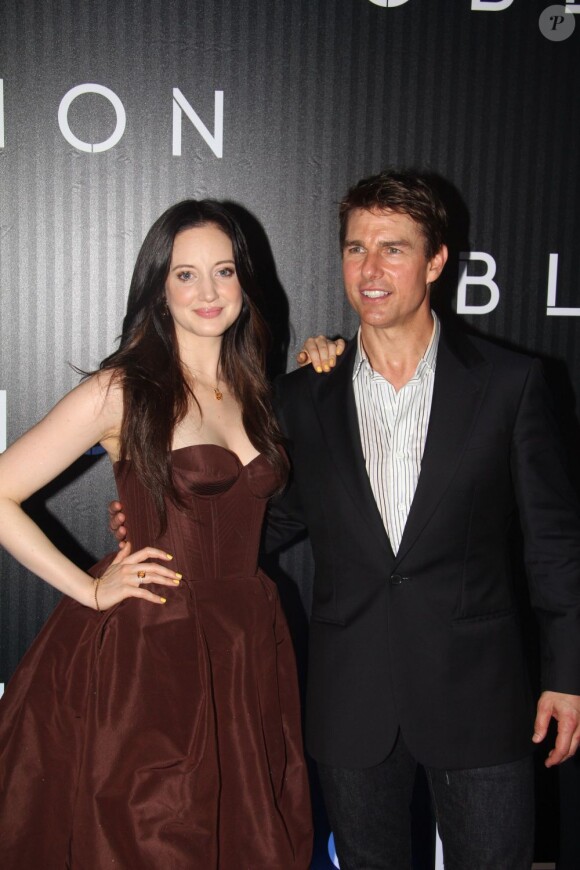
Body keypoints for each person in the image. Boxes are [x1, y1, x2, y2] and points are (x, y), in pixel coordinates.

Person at [111, 171, 580, 870]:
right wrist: (166, 526)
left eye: (394, 249)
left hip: (479, 698)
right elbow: (264, 523)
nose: (371, 268)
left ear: (437, 261)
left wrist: (567, 673)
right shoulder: (301, 398)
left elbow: (554, 544)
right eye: (356, 249)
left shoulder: (512, 386)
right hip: (349, 699)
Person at [0, 200, 312, 869]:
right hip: (154, 653)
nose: (208, 292)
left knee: (245, 834)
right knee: (153, 837)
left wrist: (329, 356)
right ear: (158, 289)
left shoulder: (255, 387)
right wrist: (89, 588)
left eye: (223, 272)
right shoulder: (123, 389)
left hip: (246, 640)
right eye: (186, 275)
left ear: (244, 283)